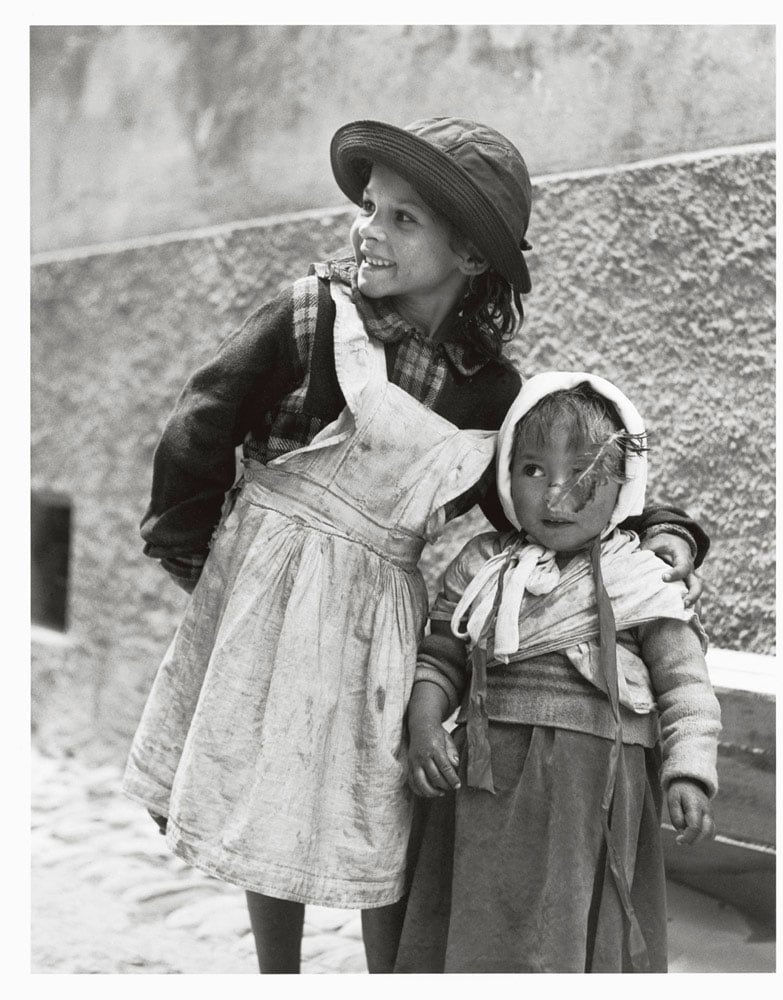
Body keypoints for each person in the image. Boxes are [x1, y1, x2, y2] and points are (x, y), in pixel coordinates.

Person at [122, 118, 708, 974]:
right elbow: (200, 423)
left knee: (381, 795)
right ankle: (276, 974)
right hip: (272, 583)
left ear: (470, 256)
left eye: (404, 219)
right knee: (264, 777)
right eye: (370, 208)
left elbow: (546, 484)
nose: (370, 230)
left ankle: (391, 976)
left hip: (380, 609)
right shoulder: (312, 316)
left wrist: (662, 528)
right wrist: (195, 559)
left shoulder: (493, 390)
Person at [395, 373, 721, 974]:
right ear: (505, 475)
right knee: (482, 921)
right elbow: (442, 656)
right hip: (486, 787)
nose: (556, 495)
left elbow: (685, 687)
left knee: (575, 925)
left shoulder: (640, 577)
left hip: (595, 792)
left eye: (585, 473)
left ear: (624, 485)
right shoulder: (485, 566)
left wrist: (689, 773)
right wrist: (424, 725)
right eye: (533, 470)